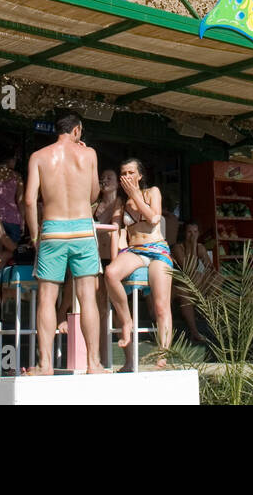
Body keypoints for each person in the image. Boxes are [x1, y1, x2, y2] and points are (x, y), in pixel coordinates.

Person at [24, 112, 105, 376]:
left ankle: (45, 364)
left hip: (52, 229)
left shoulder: (38, 156)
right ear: (77, 130)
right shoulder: (89, 154)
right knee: (87, 297)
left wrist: (35, 236)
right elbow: (94, 193)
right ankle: (93, 363)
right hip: (82, 228)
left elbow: (28, 200)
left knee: (47, 298)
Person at [104, 159, 174, 370]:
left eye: (131, 172)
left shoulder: (152, 192)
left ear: (140, 175)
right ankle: (126, 321)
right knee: (110, 273)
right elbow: (115, 230)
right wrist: (116, 255)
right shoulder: (120, 202)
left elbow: (153, 218)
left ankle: (162, 356)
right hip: (134, 250)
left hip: (157, 249)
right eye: (124, 173)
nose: (127, 176)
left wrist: (135, 194)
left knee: (161, 306)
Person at [172, 220, 213, 343]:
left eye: (195, 232)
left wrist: (204, 273)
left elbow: (210, 268)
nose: (192, 235)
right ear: (184, 234)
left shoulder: (200, 247)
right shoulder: (177, 248)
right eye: (189, 232)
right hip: (178, 285)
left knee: (215, 279)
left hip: (195, 285)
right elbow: (188, 270)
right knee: (190, 285)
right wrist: (193, 245)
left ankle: (207, 313)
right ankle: (195, 332)